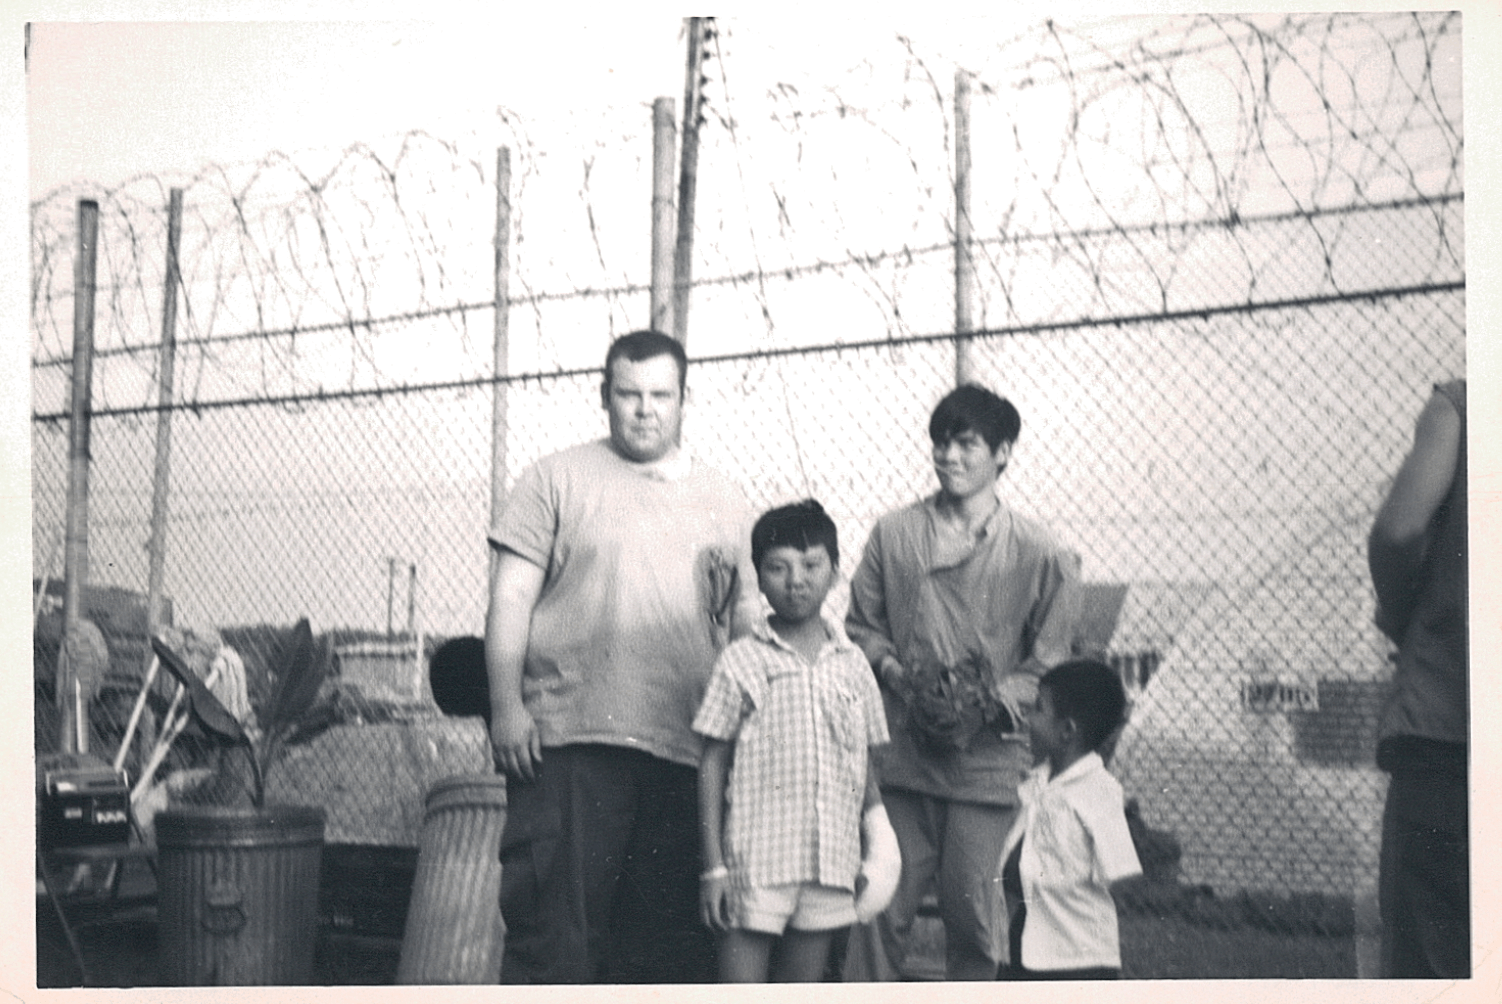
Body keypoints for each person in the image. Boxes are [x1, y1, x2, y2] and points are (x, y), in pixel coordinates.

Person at [484, 329, 759, 983]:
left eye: (661, 395)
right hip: (572, 743)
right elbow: (510, 600)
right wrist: (505, 706)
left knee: (663, 953)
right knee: (557, 942)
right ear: (604, 395)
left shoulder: (725, 498)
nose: (645, 409)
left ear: (684, 399)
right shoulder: (554, 478)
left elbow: (746, 626)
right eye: (629, 393)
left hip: (686, 750)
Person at [842, 383, 1080, 981]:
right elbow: (862, 625)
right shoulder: (893, 534)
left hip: (986, 769)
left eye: (965, 443)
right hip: (902, 758)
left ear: (1002, 452)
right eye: (940, 442)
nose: (948, 456)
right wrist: (899, 674)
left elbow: (1051, 659)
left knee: (978, 920)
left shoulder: (1040, 551)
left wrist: (991, 701)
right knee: (875, 909)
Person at [693, 500, 901, 982]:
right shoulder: (742, 660)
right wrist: (714, 869)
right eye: (778, 568)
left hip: (830, 865)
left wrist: (877, 842)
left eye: (811, 565)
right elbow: (712, 763)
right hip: (756, 864)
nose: (796, 580)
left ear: (834, 572)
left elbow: (863, 765)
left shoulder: (853, 666)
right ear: (760, 579)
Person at [1367, 379, 1468, 979]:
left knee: (1430, 963)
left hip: (1447, 734)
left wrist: (1412, 619)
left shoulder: (1465, 404)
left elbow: (1398, 531)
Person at [997, 659, 1141, 980]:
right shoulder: (1036, 781)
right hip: (1027, 940)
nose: (1027, 717)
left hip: (1079, 955)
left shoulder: (1098, 790)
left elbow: (1119, 872)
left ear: (1067, 731)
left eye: (1038, 708)